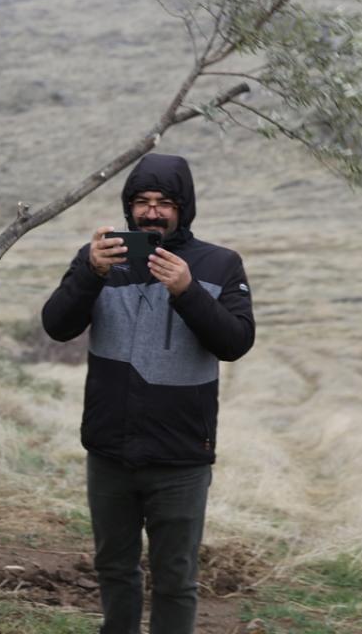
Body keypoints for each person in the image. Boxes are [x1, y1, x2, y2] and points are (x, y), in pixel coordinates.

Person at [40, 152, 255, 634]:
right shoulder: (100, 260)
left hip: (180, 458)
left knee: (176, 579)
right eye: (141, 201)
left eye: (164, 202)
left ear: (184, 207)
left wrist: (188, 290)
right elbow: (56, 326)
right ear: (128, 207)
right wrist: (88, 273)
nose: (152, 212)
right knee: (113, 569)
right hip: (110, 452)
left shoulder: (220, 264)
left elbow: (236, 342)